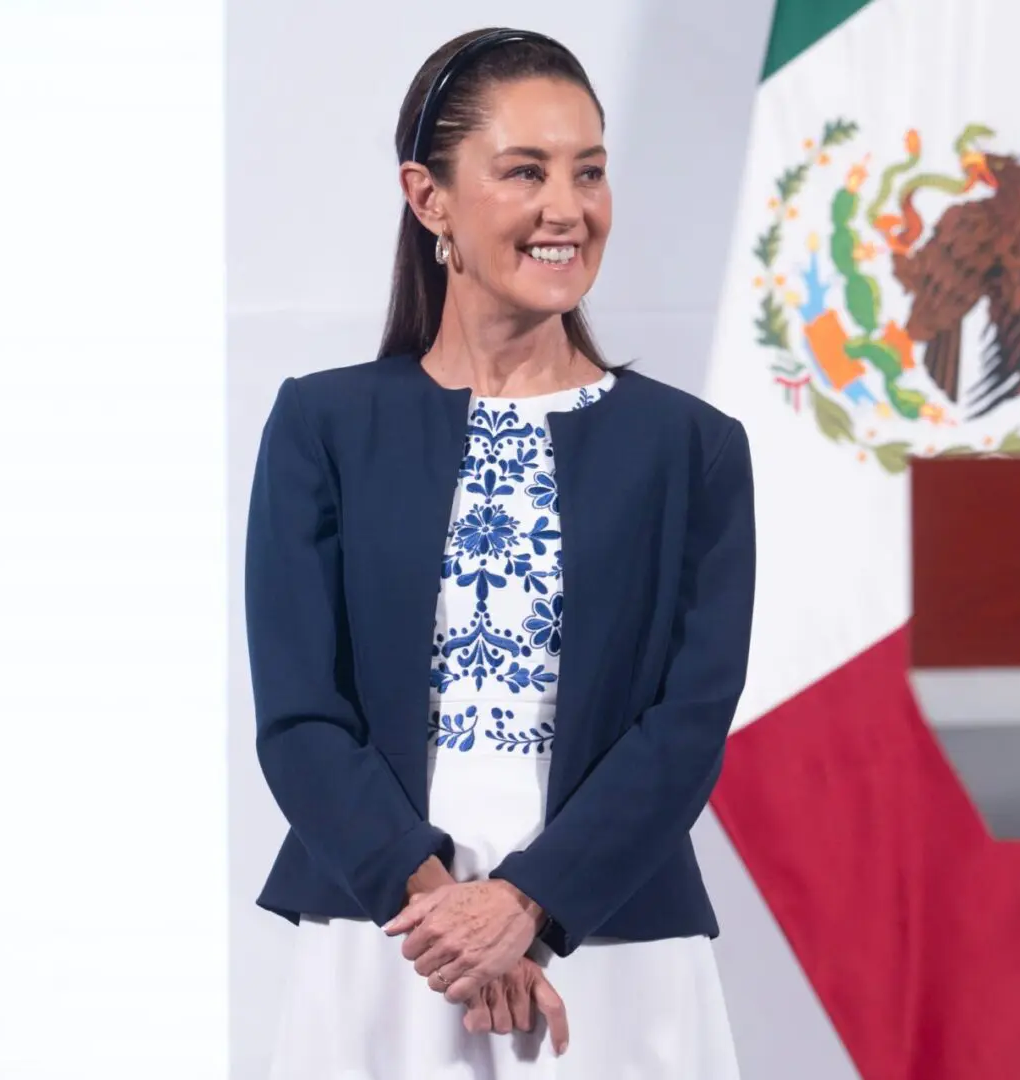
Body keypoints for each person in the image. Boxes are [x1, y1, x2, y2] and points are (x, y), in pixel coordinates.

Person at [244, 26, 756, 1078]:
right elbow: (300, 716)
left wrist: (528, 904)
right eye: (524, 171)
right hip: (387, 939)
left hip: (615, 942)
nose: (565, 207)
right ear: (429, 198)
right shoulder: (323, 425)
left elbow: (688, 726)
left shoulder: (692, 448)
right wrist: (455, 926)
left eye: (589, 171)